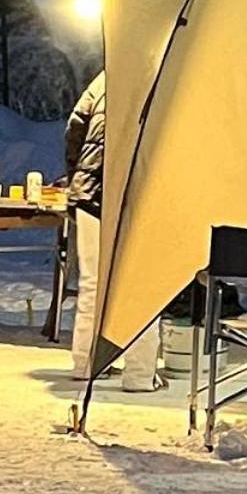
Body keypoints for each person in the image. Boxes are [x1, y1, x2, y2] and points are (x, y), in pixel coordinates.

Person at [66, 71, 163, 391]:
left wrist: (76, 179)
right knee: (144, 286)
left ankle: (85, 363)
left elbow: (74, 130)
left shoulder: (104, 77)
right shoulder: (172, 73)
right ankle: (139, 374)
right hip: (142, 194)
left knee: (93, 282)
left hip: (90, 190)